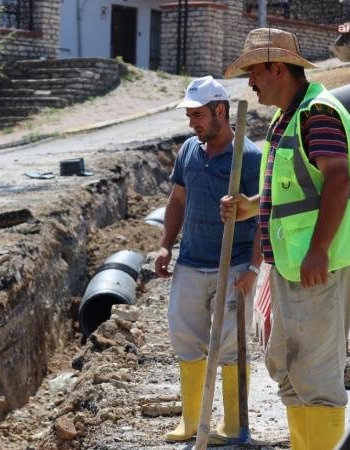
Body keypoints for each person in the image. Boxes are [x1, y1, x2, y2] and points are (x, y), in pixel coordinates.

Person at [222, 28, 350, 450]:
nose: (250, 82)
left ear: (278, 67)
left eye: (253, 72)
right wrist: (251, 206)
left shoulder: (317, 114)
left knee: (315, 378)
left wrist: (318, 251)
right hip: (296, 265)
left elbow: (337, 179)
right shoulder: (288, 117)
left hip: (319, 266)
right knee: (290, 370)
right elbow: (300, 190)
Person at [155, 75, 262, 443]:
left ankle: (232, 424)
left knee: (231, 346)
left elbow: (265, 216)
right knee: (185, 338)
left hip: (232, 267)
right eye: (189, 116)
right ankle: (191, 421)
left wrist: (252, 268)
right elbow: (178, 200)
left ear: (220, 111)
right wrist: (167, 244)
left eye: (198, 115)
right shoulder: (189, 150)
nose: (192, 123)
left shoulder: (249, 157)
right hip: (190, 261)